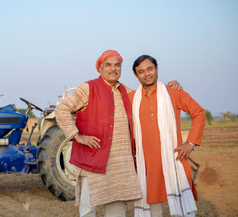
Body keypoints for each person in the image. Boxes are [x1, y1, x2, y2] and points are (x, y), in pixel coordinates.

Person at [55, 50, 181, 217]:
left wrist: (169, 88)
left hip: (120, 164)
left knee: (117, 212)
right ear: (100, 68)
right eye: (108, 65)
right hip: (93, 161)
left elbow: (150, 95)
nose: (113, 68)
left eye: (117, 65)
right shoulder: (88, 88)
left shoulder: (126, 91)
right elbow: (62, 109)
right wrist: (78, 136)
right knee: (88, 210)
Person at [128, 55, 206, 217]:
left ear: (157, 69)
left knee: (183, 207)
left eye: (150, 69)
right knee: (153, 205)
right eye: (141, 71)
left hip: (174, 159)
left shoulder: (173, 93)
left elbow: (199, 113)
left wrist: (191, 143)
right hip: (147, 164)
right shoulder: (131, 98)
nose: (147, 74)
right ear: (136, 76)